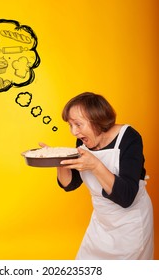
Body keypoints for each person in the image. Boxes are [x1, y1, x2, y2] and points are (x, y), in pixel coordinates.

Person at [50, 92, 154, 259]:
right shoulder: (83, 140)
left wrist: (96, 165)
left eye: (78, 124)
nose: (74, 132)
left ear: (97, 120)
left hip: (131, 224)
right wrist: (57, 161)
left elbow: (126, 197)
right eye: (70, 125)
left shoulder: (129, 138)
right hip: (101, 223)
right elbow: (70, 184)